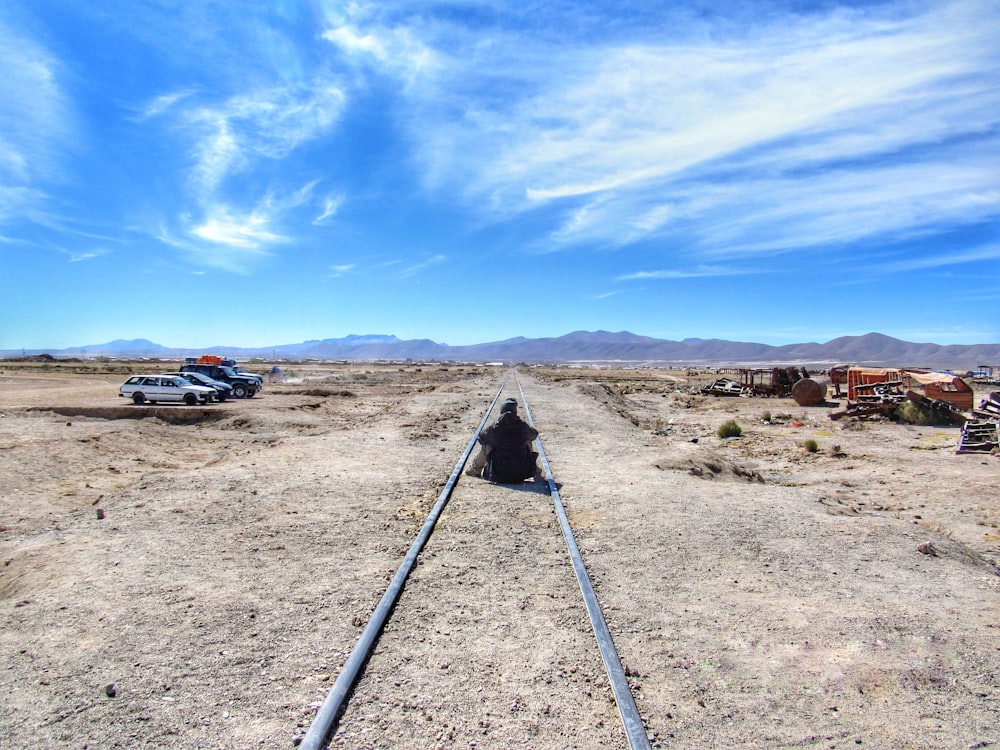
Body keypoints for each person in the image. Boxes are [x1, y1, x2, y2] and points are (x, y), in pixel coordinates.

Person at [465, 397, 540, 483]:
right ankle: (534, 468)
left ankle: (475, 470)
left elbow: (481, 438)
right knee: (527, 440)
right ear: (515, 412)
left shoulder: (494, 428)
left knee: (487, 444)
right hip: (521, 474)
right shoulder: (522, 426)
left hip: (497, 474)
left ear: (501, 412)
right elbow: (534, 435)